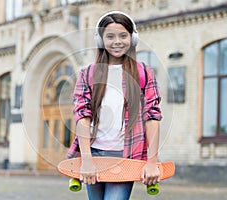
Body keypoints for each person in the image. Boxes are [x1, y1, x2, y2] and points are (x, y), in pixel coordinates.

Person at [67, 10, 162, 200]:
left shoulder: (144, 72)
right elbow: (82, 116)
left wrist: (152, 161)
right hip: (94, 154)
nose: (117, 41)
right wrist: (86, 160)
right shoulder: (87, 74)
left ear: (132, 38)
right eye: (110, 36)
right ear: (101, 40)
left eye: (123, 36)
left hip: (125, 155)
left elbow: (152, 117)